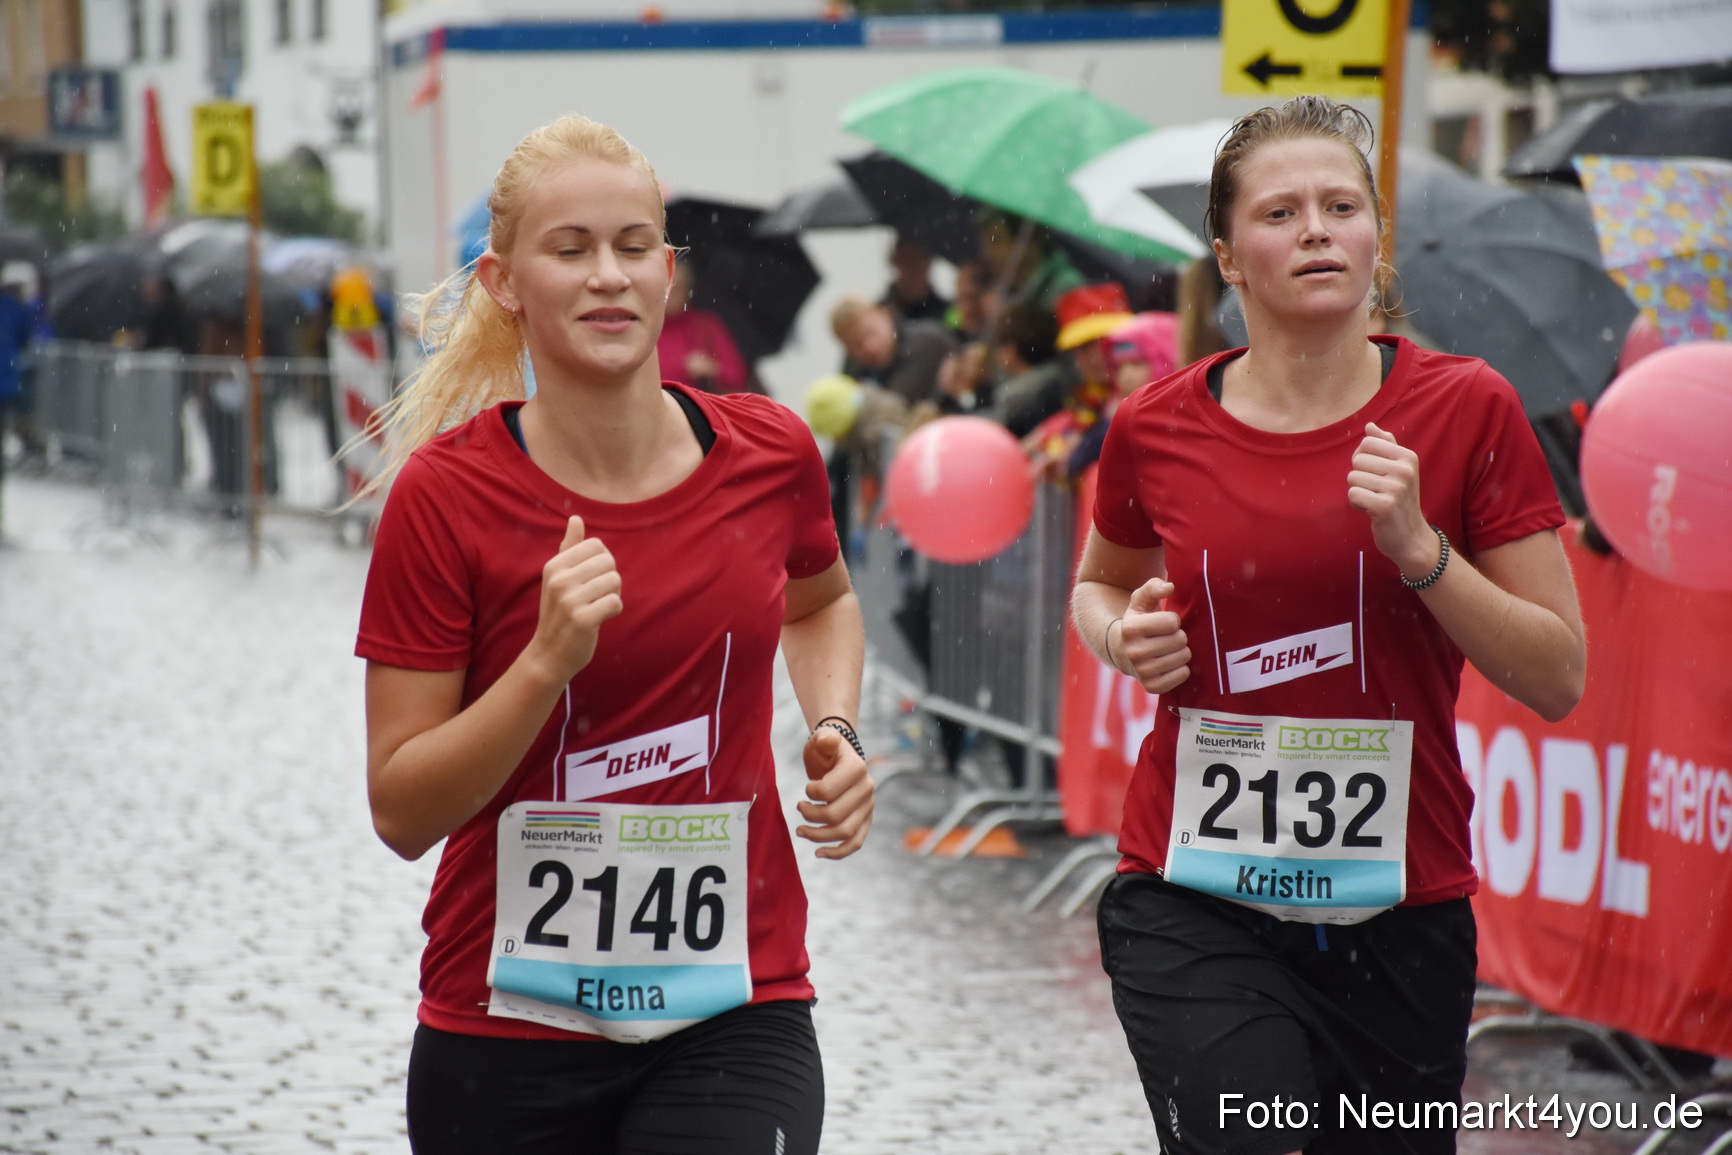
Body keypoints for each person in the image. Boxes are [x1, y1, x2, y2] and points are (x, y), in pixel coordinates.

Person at [1070, 96, 1585, 1155]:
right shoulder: (1156, 425)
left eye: (1340, 205)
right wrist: (1123, 637)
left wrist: (1423, 555)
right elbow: (1097, 586)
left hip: (1400, 911)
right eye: (1280, 212)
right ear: (1226, 254)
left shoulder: (1465, 409)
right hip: (1192, 896)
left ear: (1373, 238)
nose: (1315, 228)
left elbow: (1557, 672)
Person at [354, 115, 874, 1155]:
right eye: (571, 249)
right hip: (504, 1025)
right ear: (505, 282)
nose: (608, 276)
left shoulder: (767, 451)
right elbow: (403, 808)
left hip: (733, 1004)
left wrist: (836, 729)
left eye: (634, 246)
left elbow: (819, 602)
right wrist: (543, 664)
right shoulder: (444, 496)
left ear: (669, 272)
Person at [657, 257, 751, 394]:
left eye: (677, 288)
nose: (670, 295)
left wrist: (711, 368)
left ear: (687, 290)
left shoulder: (704, 325)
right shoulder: (641, 326)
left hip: (691, 407)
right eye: (665, 289)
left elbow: (737, 375)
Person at [880, 235, 949, 323]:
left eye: (918, 259)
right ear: (895, 261)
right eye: (906, 260)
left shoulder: (949, 312)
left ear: (929, 262)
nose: (912, 268)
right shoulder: (880, 314)